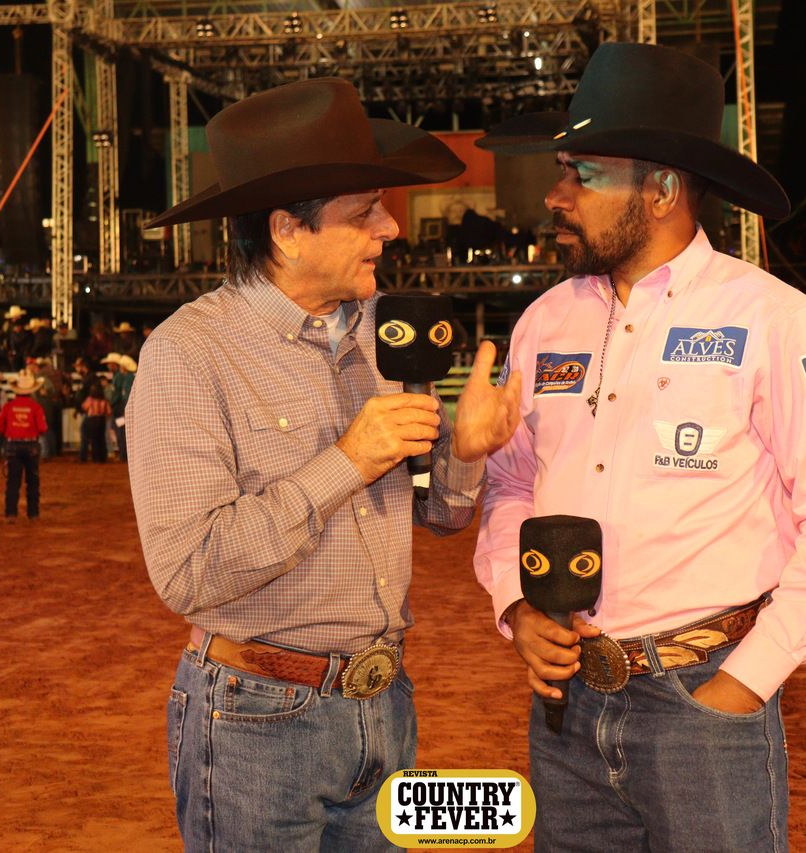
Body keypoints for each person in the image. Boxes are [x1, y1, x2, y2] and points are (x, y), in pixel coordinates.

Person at [472, 44, 806, 851]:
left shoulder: (776, 320)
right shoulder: (544, 323)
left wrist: (745, 681)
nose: (556, 196)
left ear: (663, 189)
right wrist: (515, 603)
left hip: (705, 698)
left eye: (583, 175)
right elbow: (512, 484)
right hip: (566, 703)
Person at [125, 77, 521, 852]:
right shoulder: (187, 353)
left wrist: (466, 455)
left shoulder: (386, 330)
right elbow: (189, 571)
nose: (390, 227)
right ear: (287, 230)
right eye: (365, 210)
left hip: (385, 704)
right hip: (256, 717)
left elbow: (441, 514)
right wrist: (346, 461)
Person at [0, 371, 48, 521]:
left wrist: (12, 431)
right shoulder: (36, 407)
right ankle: (33, 513)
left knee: (13, 481)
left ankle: (11, 513)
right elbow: (43, 428)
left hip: (13, 444)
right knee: (33, 481)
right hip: (31, 445)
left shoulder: (8, 406)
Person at [78, 382, 110, 462]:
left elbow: (84, 407)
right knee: (101, 439)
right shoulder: (104, 400)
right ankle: (102, 457)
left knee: (94, 439)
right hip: (102, 420)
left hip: (92, 419)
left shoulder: (90, 399)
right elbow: (109, 411)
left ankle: (95, 457)